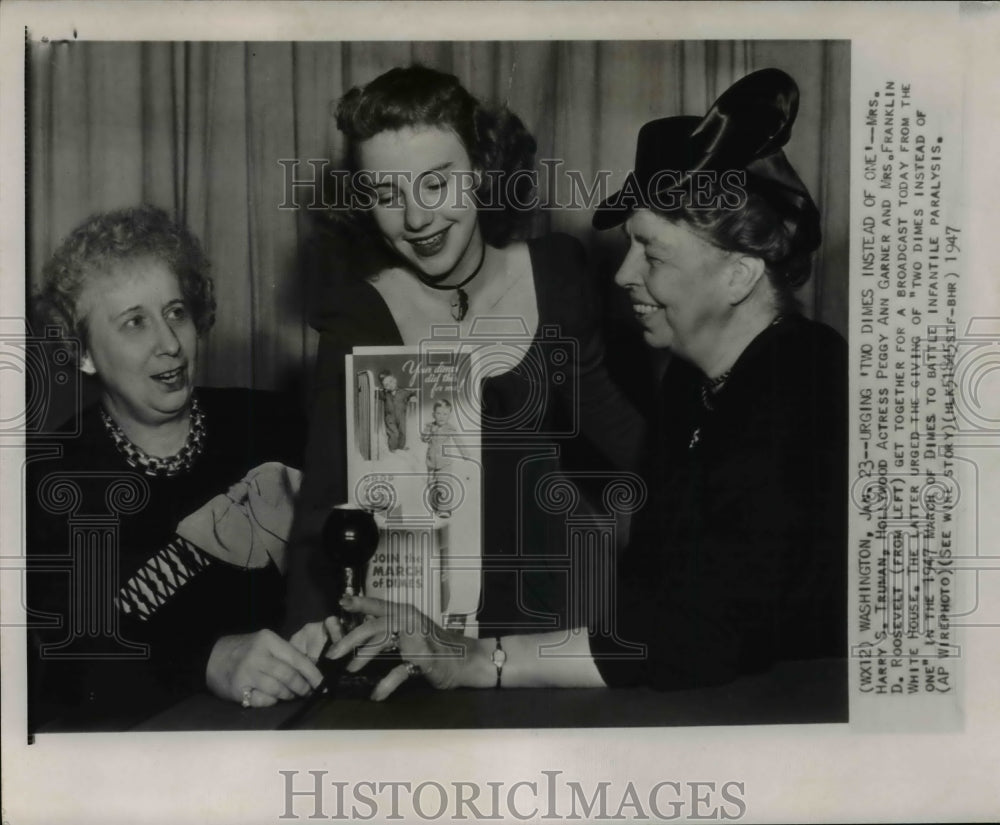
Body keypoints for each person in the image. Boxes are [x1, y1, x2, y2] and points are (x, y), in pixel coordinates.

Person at [325, 68, 848, 703]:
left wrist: (484, 661)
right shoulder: (695, 384)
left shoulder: (807, 380)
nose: (624, 274)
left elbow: (698, 631)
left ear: (738, 276)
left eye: (651, 255)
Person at [286, 65, 644, 649]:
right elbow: (325, 508)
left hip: (570, 624)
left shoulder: (557, 274)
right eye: (387, 194)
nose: (417, 219)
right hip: (423, 640)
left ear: (481, 169)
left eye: (435, 183)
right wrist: (305, 636)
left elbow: (617, 430)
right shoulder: (359, 318)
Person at [26, 205, 323, 731]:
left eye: (176, 312)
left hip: (302, 718)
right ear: (83, 353)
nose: (168, 342)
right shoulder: (53, 483)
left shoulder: (271, 423)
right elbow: (67, 669)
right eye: (134, 322)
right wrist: (206, 661)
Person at [421, 398, 470, 516]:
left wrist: (465, 454)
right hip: (431, 463)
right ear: (433, 414)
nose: (441, 416)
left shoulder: (450, 428)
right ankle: (435, 507)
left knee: (444, 485)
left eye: (445, 414)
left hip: (445, 463)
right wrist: (429, 432)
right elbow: (424, 439)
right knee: (432, 486)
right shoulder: (429, 426)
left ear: (449, 416)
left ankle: (445, 509)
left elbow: (459, 441)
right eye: (438, 413)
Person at [377, 369, 414, 452]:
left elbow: (411, 393)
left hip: (401, 416)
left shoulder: (403, 392)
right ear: (383, 386)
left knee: (402, 432)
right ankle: (393, 449)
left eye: (390, 381)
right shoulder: (384, 394)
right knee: (393, 433)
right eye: (386, 384)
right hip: (390, 417)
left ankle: (401, 447)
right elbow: (376, 394)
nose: (389, 385)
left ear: (395, 380)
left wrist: (412, 397)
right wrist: (374, 392)